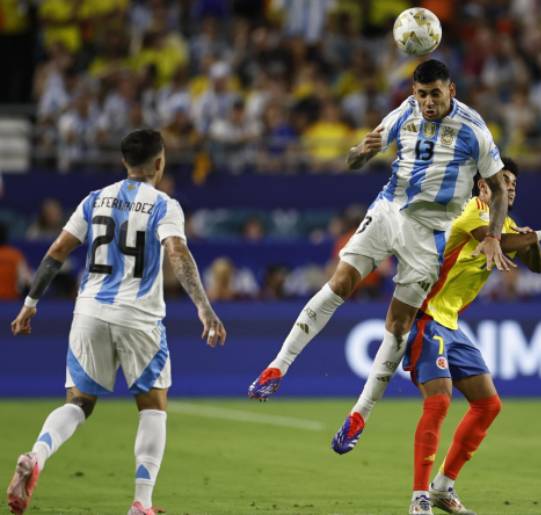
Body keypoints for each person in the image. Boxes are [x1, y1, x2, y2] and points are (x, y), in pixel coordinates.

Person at [247, 60, 513, 422]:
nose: (428, 102)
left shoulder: (474, 131)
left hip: (429, 232)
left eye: (436, 93)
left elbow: (498, 188)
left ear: (451, 90)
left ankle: (360, 413)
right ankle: (278, 366)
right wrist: (361, 152)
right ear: (413, 94)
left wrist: (495, 237)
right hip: (389, 209)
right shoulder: (405, 112)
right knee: (340, 282)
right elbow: (353, 158)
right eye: (422, 94)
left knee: (400, 324)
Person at [335, 157, 541, 514]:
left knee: (488, 404)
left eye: (513, 183)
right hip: (424, 315)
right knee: (439, 401)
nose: (510, 187)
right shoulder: (470, 212)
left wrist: (529, 238)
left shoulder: (505, 223)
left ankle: (443, 487)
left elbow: (537, 266)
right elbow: (499, 240)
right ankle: (418, 497)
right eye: (503, 180)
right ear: (483, 186)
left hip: (450, 323)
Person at [6, 129, 227, 515]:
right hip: (139, 315)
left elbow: (57, 251)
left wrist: (30, 302)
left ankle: (37, 455)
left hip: (89, 311)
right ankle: (141, 502)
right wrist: (204, 307)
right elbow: (176, 251)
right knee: (153, 405)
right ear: (159, 163)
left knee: (78, 402)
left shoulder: (94, 200)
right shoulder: (164, 204)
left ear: (124, 162)